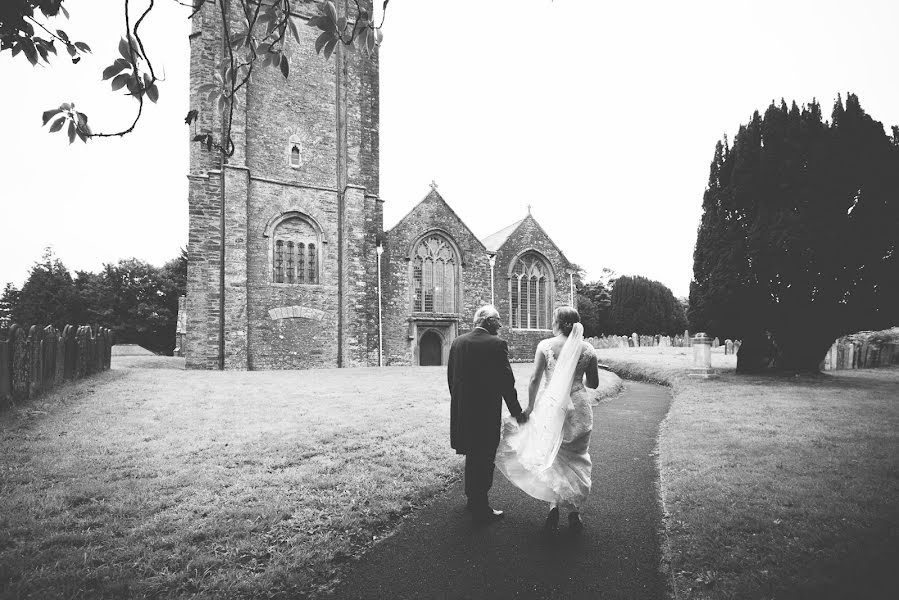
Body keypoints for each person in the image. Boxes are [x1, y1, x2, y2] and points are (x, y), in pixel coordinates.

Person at [495, 306, 599, 534]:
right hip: (578, 406)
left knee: (553, 454)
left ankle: (553, 508)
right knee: (577, 456)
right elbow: (594, 384)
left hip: (551, 406)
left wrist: (530, 407)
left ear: (558, 323)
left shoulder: (545, 346)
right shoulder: (589, 350)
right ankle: (574, 512)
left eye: (553, 320)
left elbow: (534, 379)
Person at [448, 304, 528, 524]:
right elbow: (506, 382)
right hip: (485, 413)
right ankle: (481, 508)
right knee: (484, 458)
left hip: (463, 411)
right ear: (487, 320)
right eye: (498, 320)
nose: (501, 324)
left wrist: (460, 403)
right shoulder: (497, 344)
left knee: (472, 456)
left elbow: (451, 379)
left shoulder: (457, 342)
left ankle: (472, 500)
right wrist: (517, 412)